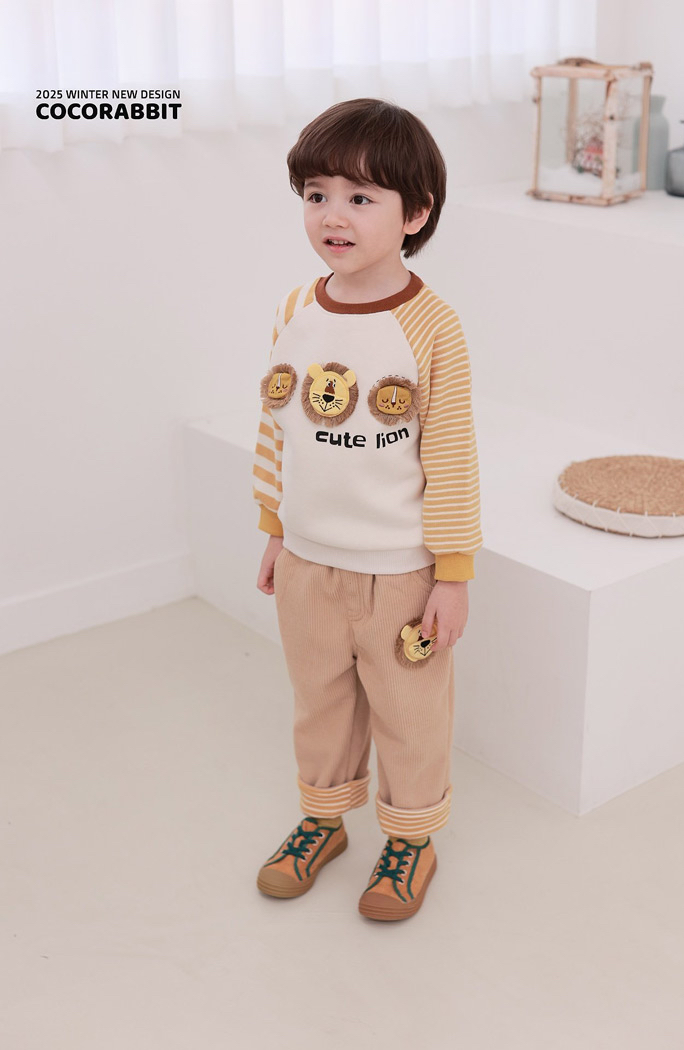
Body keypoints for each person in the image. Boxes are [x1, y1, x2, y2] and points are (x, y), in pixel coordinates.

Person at [251, 97, 482, 921]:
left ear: (415, 213)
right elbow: (277, 424)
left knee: (409, 714)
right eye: (317, 195)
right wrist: (276, 530)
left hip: (400, 575)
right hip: (309, 562)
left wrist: (452, 575)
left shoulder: (432, 327)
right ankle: (323, 821)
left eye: (359, 197)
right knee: (319, 702)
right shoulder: (297, 309)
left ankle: (411, 839)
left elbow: (451, 456)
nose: (332, 216)